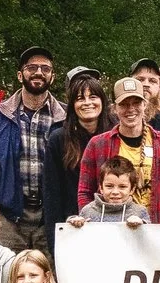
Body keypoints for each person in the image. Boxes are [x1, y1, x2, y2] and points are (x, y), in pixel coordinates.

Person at [0, 46, 64, 253]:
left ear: (52, 77)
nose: (38, 72)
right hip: (9, 217)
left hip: (51, 216)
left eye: (45, 69)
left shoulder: (65, 117)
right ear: (20, 75)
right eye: (32, 67)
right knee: (7, 277)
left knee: (50, 279)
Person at [76, 76, 160, 223]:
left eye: (136, 103)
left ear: (145, 104)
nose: (131, 109)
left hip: (156, 227)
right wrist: (93, 224)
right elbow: (85, 191)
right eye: (124, 104)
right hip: (111, 231)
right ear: (115, 108)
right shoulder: (97, 144)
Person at [41, 73, 110, 227]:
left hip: (112, 222)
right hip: (72, 223)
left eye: (93, 97)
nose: (87, 103)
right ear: (72, 105)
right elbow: (52, 194)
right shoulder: (58, 139)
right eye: (80, 98)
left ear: (102, 101)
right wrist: (56, 238)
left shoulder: (115, 135)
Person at [69, 157, 150, 226]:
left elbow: (150, 239)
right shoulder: (88, 210)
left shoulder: (140, 212)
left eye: (122, 187)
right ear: (101, 187)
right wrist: (75, 222)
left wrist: (141, 225)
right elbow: (75, 237)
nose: (115, 192)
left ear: (132, 189)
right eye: (109, 186)